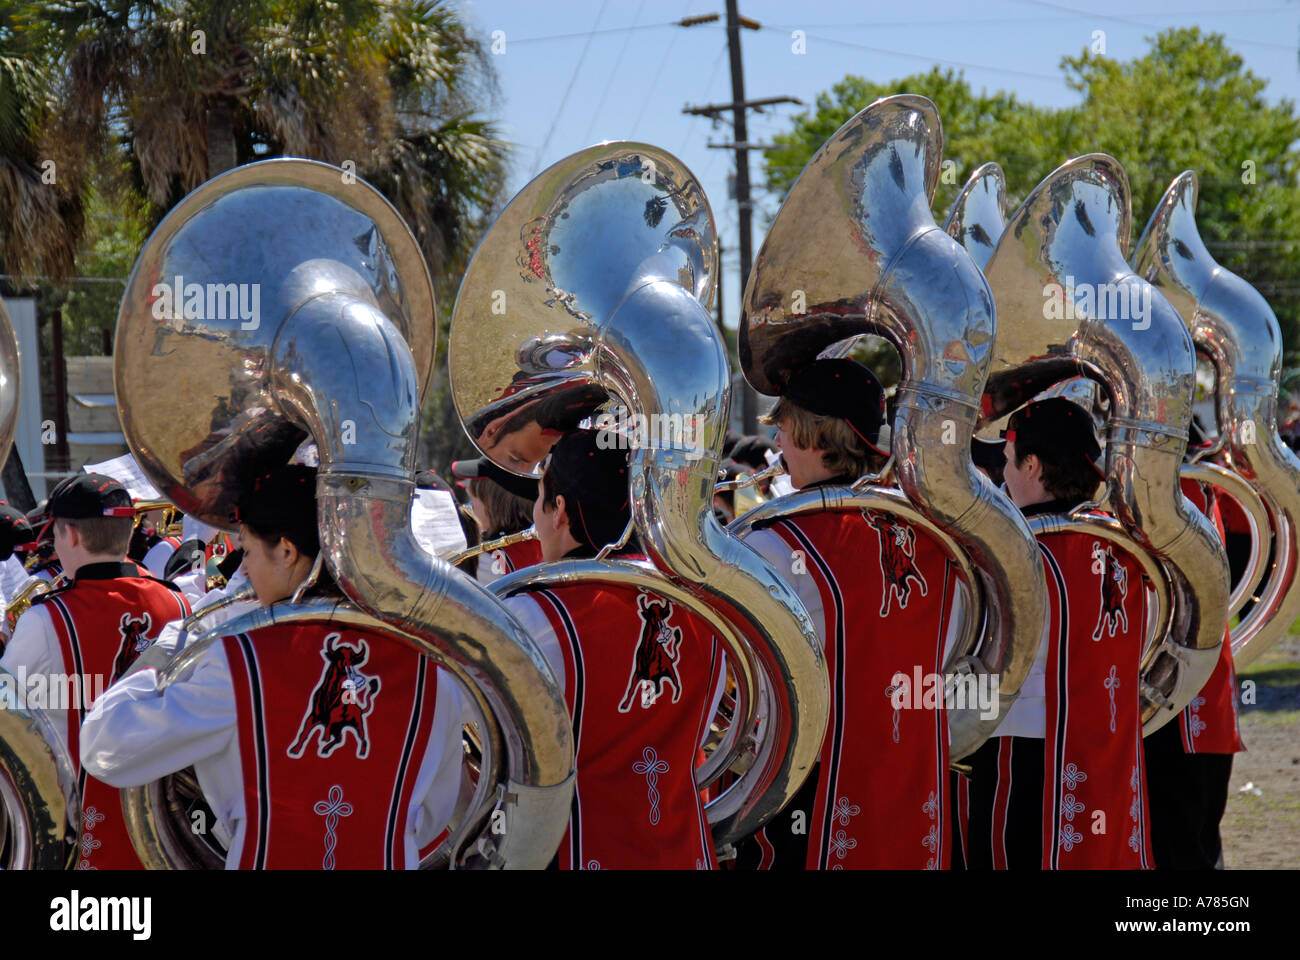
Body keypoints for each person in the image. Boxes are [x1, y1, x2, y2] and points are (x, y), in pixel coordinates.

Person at [80, 464, 465, 869]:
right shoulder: (432, 667)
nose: (243, 571)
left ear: (286, 552)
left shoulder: (236, 662)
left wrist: (172, 643)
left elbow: (106, 746)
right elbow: (432, 817)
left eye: (246, 552)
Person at [734, 358, 964, 870]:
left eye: (787, 431)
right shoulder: (934, 538)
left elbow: (733, 676)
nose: (780, 448)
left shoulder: (769, 542)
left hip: (807, 789)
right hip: (915, 779)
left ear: (817, 438)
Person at [499, 429, 723, 869]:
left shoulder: (524, 614)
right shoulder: (706, 608)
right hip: (685, 852)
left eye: (540, 498)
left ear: (559, 511)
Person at [959, 397, 1153, 869]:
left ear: (1032, 464)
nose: (1003, 477)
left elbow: (962, 654)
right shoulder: (1128, 549)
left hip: (1017, 751)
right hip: (1109, 749)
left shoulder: (1009, 558)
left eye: (1007, 461)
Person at [0, 474, 192, 869]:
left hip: (83, 837)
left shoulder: (46, 618)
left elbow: (10, 727)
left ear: (70, 536)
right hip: (173, 835)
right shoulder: (181, 605)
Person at [1139, 449, 1245, 869]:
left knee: (1180, 848)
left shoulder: (1167, 494)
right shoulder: (1187, 488)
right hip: (1198, 707)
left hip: (1178, 710)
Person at [450, 457, 543, 583]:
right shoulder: (542, 541)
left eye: (473, 499)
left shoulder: (485, 560)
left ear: (491, 504)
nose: (471, 506)